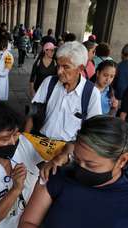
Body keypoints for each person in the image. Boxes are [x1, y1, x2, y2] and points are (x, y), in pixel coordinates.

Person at [26, 41, 102, 173]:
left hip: (67, 152)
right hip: (39, 145)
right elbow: (32, 114)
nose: (60, 71)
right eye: (58, 65)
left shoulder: (91, 94)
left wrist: (68, 154)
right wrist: (25, 140)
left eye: (66, 67)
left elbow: (92, 133)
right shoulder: (49, 82)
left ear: (80, 68)